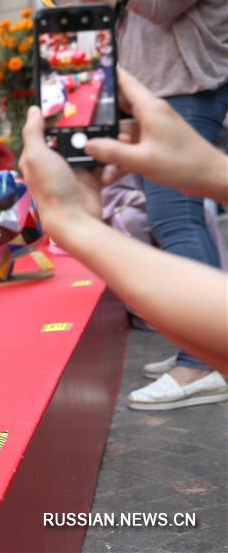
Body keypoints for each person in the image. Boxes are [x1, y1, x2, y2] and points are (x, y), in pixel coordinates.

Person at [52, 0, 228, 408]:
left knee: (177, 219)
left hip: (186, 92)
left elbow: (158, 4)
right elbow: (126, 3)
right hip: (163, 92)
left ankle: (203, 364)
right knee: (174, 218)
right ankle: (201, 350)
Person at [19, 69, 227, 410]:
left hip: (182, 80)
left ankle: (198, 364)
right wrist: (213, 174)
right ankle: (197, 357)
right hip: (174, 86)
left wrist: (72, 221)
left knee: (176, 221)